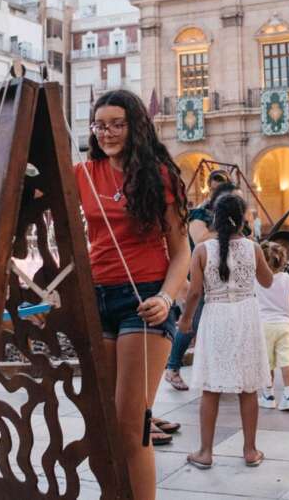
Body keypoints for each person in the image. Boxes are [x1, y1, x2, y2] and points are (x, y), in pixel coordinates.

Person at [74, 89, 190, 500]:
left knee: (131, 424)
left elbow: (182, 253)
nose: (106, 132)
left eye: (117, 124)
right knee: (106, 425)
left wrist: (166, 298)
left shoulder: (159, 175)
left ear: (135, 125)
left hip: (143, 302)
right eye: (100, 124)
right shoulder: (83, 173)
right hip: (96, 298)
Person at [180, 192, 272, 469]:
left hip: (216, 316)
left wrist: (185, 321)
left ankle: (206, 452)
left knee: (211, 387)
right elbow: (267, 281)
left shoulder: (202, 250)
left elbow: (194, 292)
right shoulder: (252, 248)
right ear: (243, 218)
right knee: (248, 387)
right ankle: (250, 450)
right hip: (246, 315)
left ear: (215, 218)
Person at [164, 174, 235, 392]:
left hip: (225, 275)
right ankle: (172, 367)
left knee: (220, 324)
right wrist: (225, 225)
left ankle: (219, 371)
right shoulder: (201, 214)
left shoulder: (230, 216)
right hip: (201, 275)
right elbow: (199, 240)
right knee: (192, 322)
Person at [256, 241, 289, 411]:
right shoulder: (286, 278)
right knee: (287, 360)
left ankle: (268, 395)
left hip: (264, 326)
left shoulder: (256, 279)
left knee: (267, 363)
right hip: (284, 325)